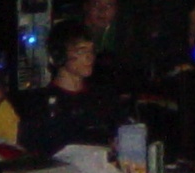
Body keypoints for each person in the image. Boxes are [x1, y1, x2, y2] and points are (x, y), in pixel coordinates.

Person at [19, 21, 125, 156]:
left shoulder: (103, 97)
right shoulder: (39, 104)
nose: (90, 57)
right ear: (60, 55)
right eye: (81, 51)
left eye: (91, 50)